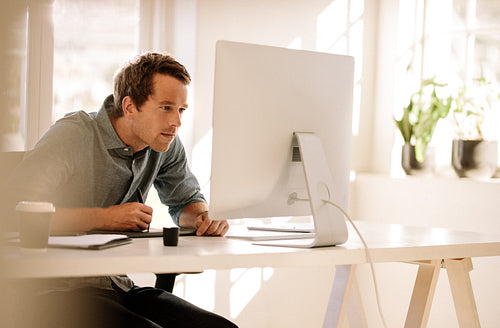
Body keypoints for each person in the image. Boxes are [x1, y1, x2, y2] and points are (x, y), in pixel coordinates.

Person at [5, 52, 237, 328]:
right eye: (166, 107)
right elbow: (12, 211)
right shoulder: (74, 135)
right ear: (129, 106)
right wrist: (105, 218)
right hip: (54, 291)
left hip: (117, 286)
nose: (177, 122)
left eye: (181, 109)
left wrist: (203, 218)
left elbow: (186, 201)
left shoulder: (165, 144)